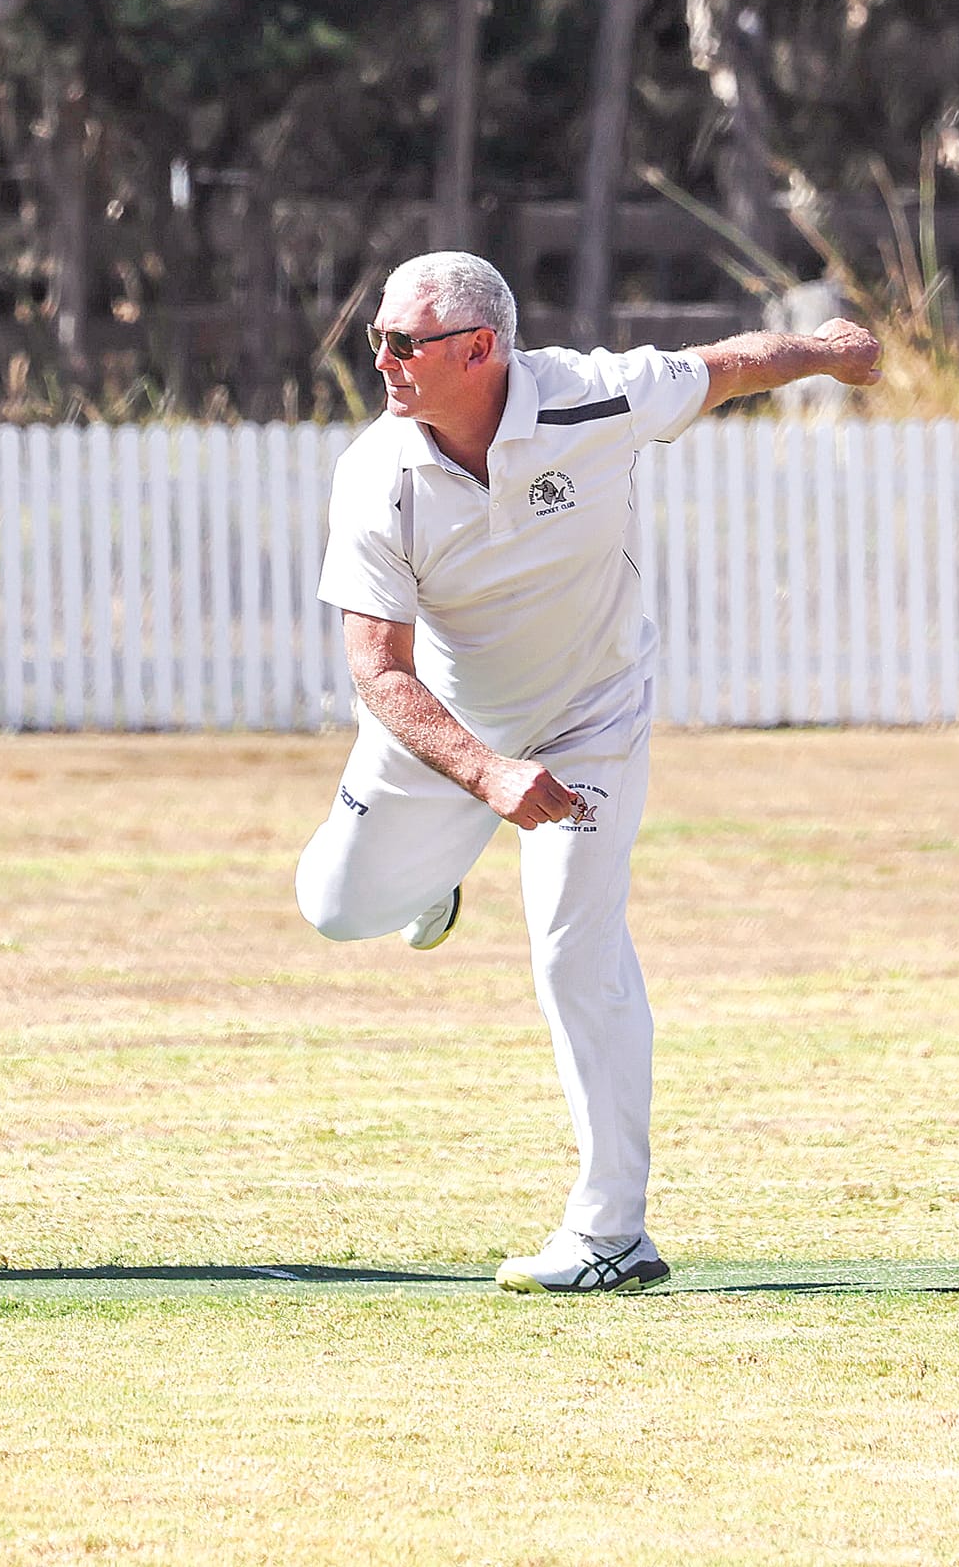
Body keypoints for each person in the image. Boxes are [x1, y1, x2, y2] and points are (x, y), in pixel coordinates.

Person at [295, 251, 881, 1294]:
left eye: (400, 341)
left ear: (479, 349)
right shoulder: (374, 473)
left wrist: (826, 352)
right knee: (333, 905)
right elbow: (375, 671)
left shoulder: (593, 394)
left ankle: (612, 1231)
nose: (378, 358)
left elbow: (729, 365)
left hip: (588, 717)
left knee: (575, 950)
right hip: (444, 726)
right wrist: (483, 773)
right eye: (374, 339)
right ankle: (432, 873)